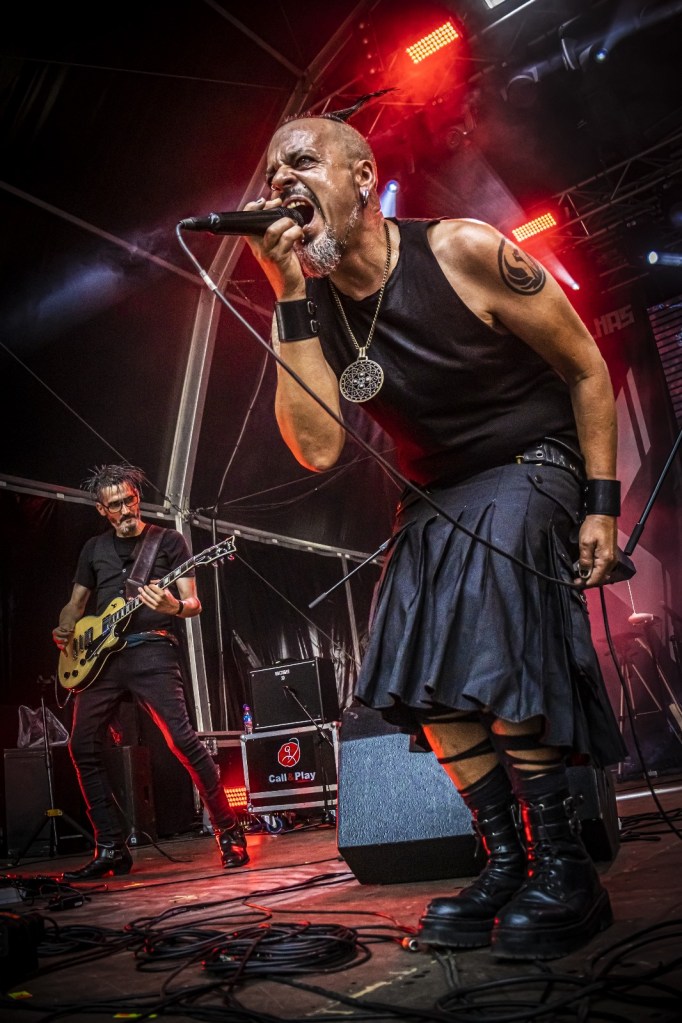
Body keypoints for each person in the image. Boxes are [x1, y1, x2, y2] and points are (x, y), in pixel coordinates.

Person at [242, 105, 628, 960]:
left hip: (533, 457)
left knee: (495, 612)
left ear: (360, 176)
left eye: (300, 161)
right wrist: (289, 297)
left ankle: (567, 866)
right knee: (413, 664)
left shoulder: (461, 249)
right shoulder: (306, 305)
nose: (280, 182)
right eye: (270, 175)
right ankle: (507, 861)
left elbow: (585, 366)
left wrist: (602, 503)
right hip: (436, 493)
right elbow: (317, 448)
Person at [52, 464, 248, 879]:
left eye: (130, 500)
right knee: (81, 745)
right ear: (102, 510)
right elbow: (76, 604)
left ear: (138, 498)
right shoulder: (93, 549)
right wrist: (66, 626)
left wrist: (173, 606)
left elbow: (193, 604)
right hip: (99, 659)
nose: (125, 510)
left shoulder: (169, 540)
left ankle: (229, 832)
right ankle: (110, 847)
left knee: (182, 740)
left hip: (152, 650)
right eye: (115, 505)